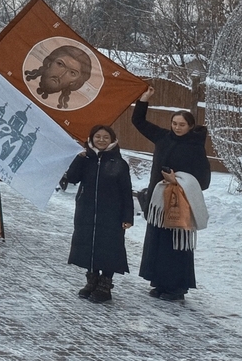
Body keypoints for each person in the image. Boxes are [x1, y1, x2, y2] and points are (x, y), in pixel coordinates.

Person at [132, 89, 211, 302]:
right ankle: (159, 282)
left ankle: (177, 288)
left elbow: (204, 180)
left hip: (181, 204)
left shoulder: (195, 147)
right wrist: (144, 100)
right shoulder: (162, 137)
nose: (177, 127)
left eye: (182, 124)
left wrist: (178, 180)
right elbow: (138, 121)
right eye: (174, 123)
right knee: (157, 241)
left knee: (176, 245)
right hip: (159, 202)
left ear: (190, 126)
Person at [60, 125, 134, 303]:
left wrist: (127, 217)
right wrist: (78, 158)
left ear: (112, 140)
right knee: (88, 245)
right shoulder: (86, 160)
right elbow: (72, 178)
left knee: (109, 248)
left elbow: (126, 191)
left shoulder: (119, 163)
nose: (101, 140)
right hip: (86, 211)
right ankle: (91, 281)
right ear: (91, 139)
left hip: (112, 214)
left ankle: (105, 286)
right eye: (97, 137)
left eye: (105, 137)